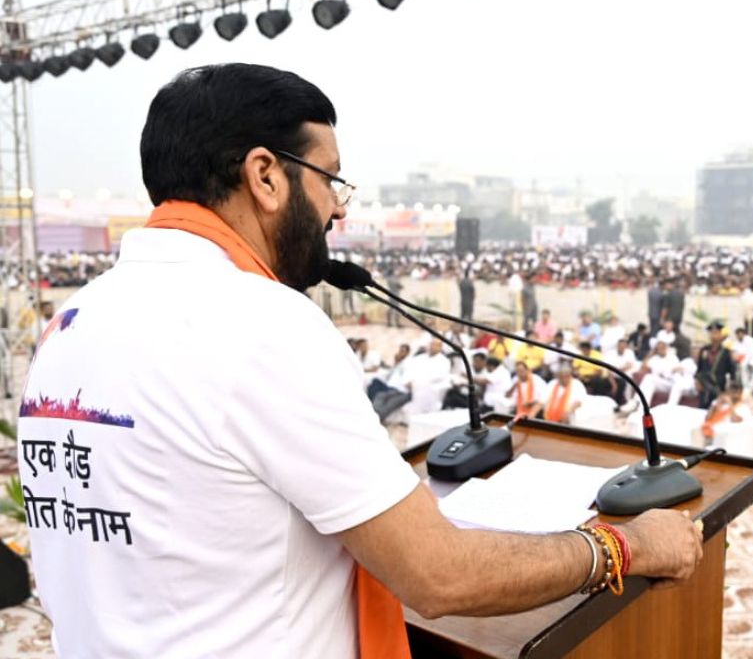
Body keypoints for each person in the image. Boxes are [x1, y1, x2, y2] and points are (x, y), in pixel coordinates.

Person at [15, 64, 702, 657]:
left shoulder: (70, 327)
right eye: (330, 179)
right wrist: (626, 547)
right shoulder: (258, 322)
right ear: (265, 176)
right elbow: (437, 576)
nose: (338, 209)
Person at [637, 341, 696, 407]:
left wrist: (667, 372)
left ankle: (637, 403)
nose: (661, 350)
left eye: (663, 348)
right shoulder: (654, 359)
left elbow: (676, 370)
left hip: (672, 382)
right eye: (659, 349)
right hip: (662, 382)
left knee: (650, 379)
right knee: (648, 379)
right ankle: (642, 407)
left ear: (666, 348)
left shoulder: (673, 357)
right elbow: (643, 367)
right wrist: (650, 354)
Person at [694, 321, 736, 408]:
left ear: (721, 335)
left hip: (718, 387)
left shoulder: (726, 352)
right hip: (704, 386)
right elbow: (699, 369)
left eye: (716, 333)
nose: (713, 335)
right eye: (711, 333)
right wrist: (697, 381)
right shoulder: (704, 350)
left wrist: (729, 391)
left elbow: (732, 373)